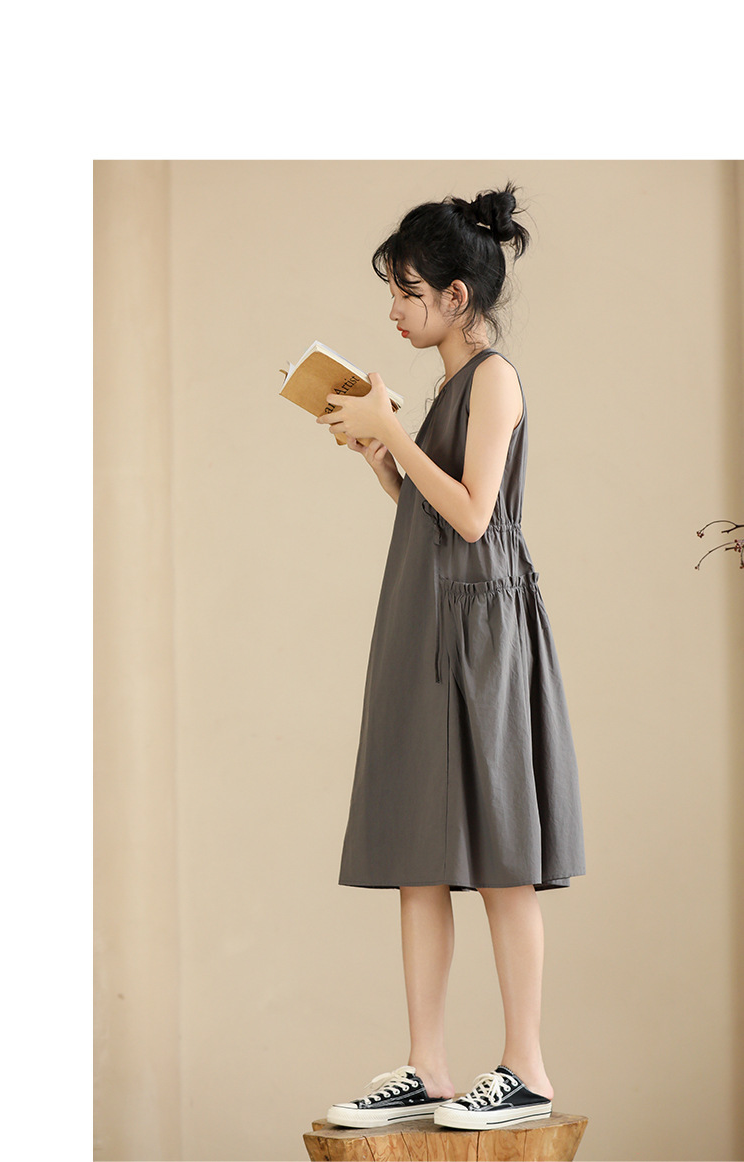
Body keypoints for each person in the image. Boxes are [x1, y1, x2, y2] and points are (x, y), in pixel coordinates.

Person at [315, 181, 586, 1132]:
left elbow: (475, 517)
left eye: (408, 291)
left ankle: (526, 1069)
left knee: (502, 855)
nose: (395, 309)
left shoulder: (495, 380)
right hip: (430, 620)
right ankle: (427, 1067)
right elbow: (437, 518)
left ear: (455, 297)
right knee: (420, 859)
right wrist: (382, 459)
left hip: (482, 636)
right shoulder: (446, 388)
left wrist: (392, 428)